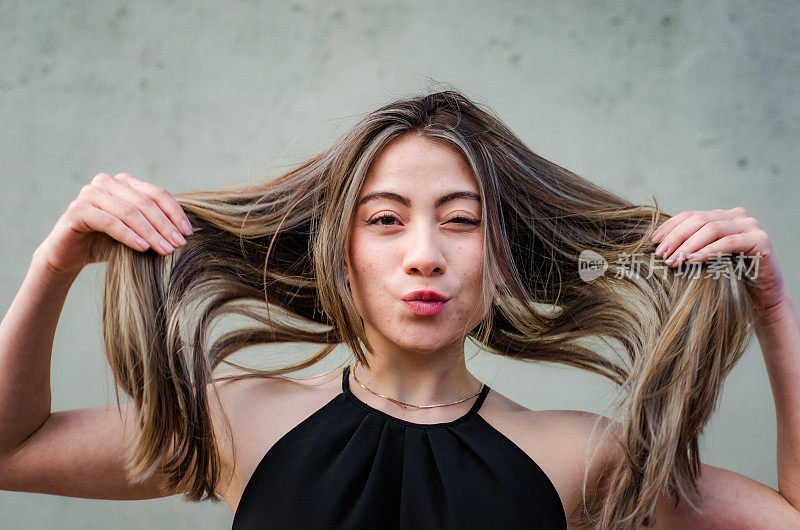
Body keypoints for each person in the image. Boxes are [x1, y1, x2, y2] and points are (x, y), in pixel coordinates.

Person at [0, 89, 798, 529]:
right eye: (385, 220)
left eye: (462, 220)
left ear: (506, 255)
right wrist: (56, 263)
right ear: (339, 254)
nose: (426, 252)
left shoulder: (584, 455)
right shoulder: (239, 421)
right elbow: (11, 449)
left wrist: (770, 308)